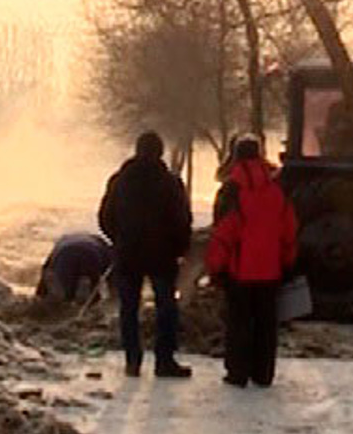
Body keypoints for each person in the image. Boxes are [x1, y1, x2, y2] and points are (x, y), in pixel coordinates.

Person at [205, 135, 300, 389]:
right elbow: (288, 231)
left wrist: (217, 268)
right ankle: (263, 372)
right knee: (266, 324)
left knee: (238, 323)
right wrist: (288, 262)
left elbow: (223, 235)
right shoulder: (277, 189)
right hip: (270, 270)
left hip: (239, 270)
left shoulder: (231, 191)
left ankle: (238, 372)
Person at [97, 131, 194, 378]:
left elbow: (105, 217)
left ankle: (133, 360)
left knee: (129, 308)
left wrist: (119, 239)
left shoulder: (120, 181)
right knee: (166, 307)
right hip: (162, 256)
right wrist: (179, 248)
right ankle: (164, 360)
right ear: (160, 152)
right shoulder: (170, 183)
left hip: (128, 253)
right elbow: (182, 220)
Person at [36, 232, 114, 303]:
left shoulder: (64, 239)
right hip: (91, 254)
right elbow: (111, 279)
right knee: (92, 293)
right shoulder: (105, 247)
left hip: (64, 253)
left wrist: (40, 294)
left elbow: (45, 270)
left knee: (67, 293)